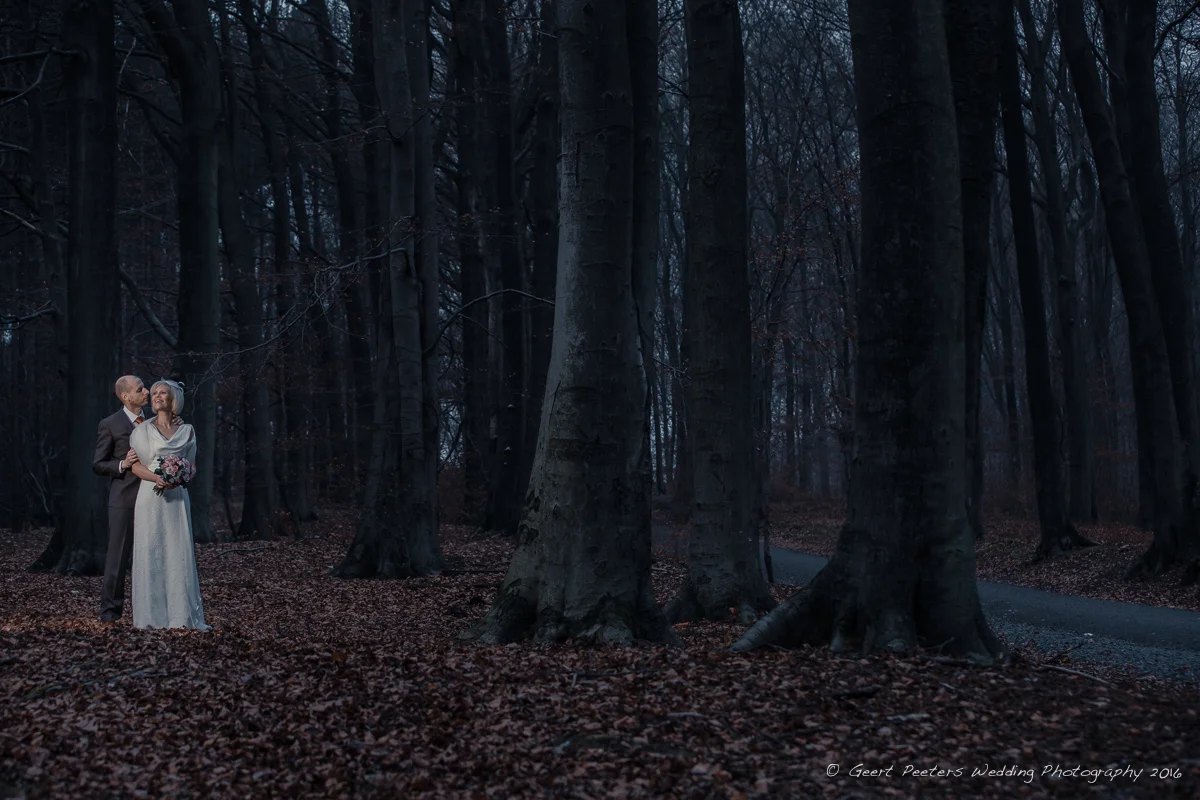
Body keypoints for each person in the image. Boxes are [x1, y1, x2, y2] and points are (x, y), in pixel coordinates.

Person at [128, 379, 210, 631]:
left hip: (176, 498)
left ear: (173, 398)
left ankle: (181, 616)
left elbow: (192, 464)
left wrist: (182, 476)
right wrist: (159, 478)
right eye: (154, 393)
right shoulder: (142, 430)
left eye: (163, 393)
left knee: (177, 550)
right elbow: (136, 465)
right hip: (150, 496)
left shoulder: (187, 431)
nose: (157, 396)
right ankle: (151, 617)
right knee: (151, 550)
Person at [93, 376, 152, 622]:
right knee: (117, 558)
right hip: (123, 500)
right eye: (140, 389)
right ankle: (110, 613)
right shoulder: (110, 424)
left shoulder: (153, 423)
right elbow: (97, 464)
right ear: (126, 397)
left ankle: (150, 611)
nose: (147, 391)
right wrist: (122, 464)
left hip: (153, 498)